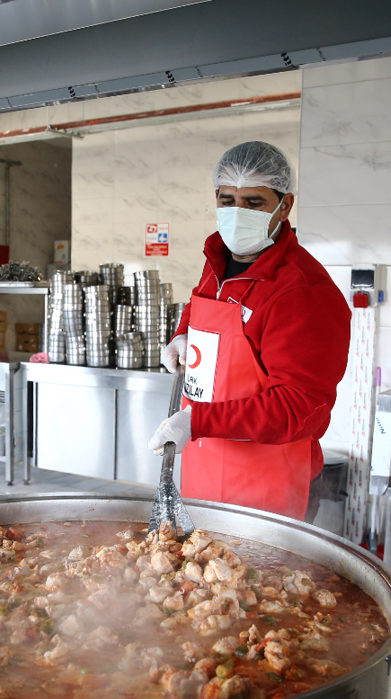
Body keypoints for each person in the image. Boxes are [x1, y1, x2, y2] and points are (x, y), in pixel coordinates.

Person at [147, 141, 350, 521]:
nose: (238, 213)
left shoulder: (303, 292)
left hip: (270, 486)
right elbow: (203, 301)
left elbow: (299, 407)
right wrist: (182, 332)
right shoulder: (220, 260)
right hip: (207, 469)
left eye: (254, 203)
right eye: (228, 200)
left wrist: (198, 421)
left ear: (284, 205)